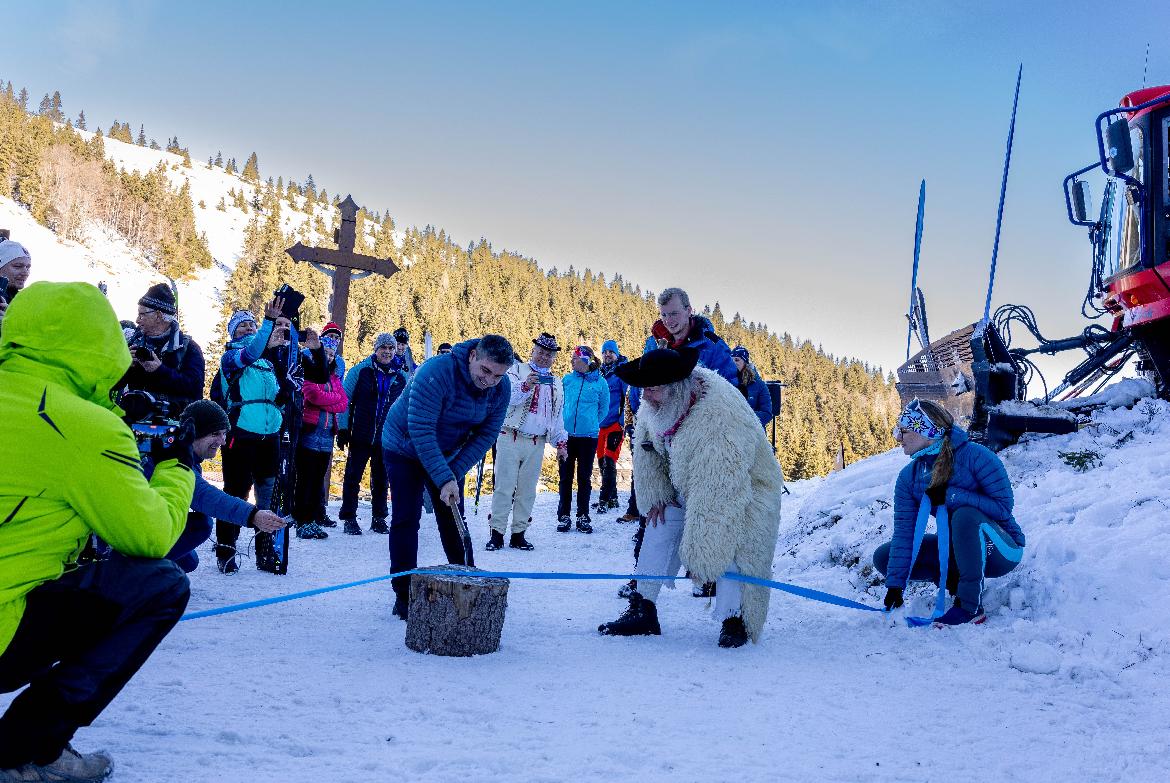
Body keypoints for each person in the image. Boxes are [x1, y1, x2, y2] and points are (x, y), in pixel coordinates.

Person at [0, 282, 194, 781]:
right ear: (101, 346)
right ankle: (27, 748)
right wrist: (176, 466)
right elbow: (149, 535)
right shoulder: (81, 428)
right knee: (162, 584)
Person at [598, 347, 785, 648]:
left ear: (677, 389)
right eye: (644, 388)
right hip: (691, 483)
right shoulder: (658, 405)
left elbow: (719, 497)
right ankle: (643, 607)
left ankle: (734, 619)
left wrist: (702, 557)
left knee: (733, 545)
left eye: (654, 389)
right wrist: (657, 496)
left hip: (747, 489)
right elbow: (646, 450)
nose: (645, 397)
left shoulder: (720, 415)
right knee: (659, 522)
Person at [381, 334, 513, 620]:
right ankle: (404, 593)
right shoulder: (436, 371)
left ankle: (467, 582)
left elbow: (486, 436)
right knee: (406, 517)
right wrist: (443, 477)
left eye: (498, 376)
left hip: (449, 452)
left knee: (453, 515)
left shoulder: (502, 390)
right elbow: (421, 430)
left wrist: (451, 474)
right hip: (404, 444)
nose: (489, 381)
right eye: (485, 371)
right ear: (472, 356)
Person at [872, 399, 1025, 626]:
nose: (897, 438)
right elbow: (906, 534)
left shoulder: (976, 456)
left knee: (965, 515)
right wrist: (896, 585)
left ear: (927, 431)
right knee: (884, 556)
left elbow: (1003, 508)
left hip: (1001, 550)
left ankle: (969, 606)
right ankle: (956, 583)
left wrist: (953, 496)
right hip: (959, 550)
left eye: (903, 431)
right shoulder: (909, 477)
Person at [161, 401, 286, 573]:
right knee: (201, 525)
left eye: (224, 434)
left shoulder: (184, 451)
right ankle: (135, 572)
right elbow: (204, 496)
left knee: (188, 561)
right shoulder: (173, 456)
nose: (223, 441)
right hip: (137, 527)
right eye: (215, 434)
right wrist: (253, 515)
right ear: (194, 433)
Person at [213, 300, 288, 573]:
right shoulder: (231, 357)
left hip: (270, 436)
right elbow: (251, 352)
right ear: (233, 333)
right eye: (242, 325)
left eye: (251, 324)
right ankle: (226, 550)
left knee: (267, 496)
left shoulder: (267, 363)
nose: (247, 328)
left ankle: (265, 552)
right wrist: (268, 324)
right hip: (241, 434)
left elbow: (279, 395)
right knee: (236, 492)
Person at [487, 332, 569, 552]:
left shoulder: (557, 383)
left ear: (554, 358)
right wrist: (525, 386)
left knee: (527, 490)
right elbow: (508, 398)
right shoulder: (516, 370)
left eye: (549, 355)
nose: (544, 357)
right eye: (541, 352)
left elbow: (557, 415)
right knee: (504, 487)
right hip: (510, 436)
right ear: (533, 351)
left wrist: (561, 443)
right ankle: (496, 534)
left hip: (537, 441)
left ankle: (518, 534)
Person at [338, 333, 408, 535]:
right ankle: (349, 517)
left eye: (391, 348)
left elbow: (406, 408)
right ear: (376, 349)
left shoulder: (402, 377)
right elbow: (344, 400)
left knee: (381, 479)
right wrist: (343, 429)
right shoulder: (361, 371)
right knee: (353, 477)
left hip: (387, 438)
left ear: (395, 350)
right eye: (383, 347)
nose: (387, 352)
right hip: (360, 434)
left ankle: (379, 518)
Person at [118, 283, 206, 417]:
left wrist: (159, 370)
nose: (137, 320)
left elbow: (195, 390)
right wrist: (125, 365)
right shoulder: (133, 343)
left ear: (158, 315)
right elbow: (112, 384)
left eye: (142, 315)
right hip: (132, 421)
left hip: (171, 426)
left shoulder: (188, 348)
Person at [293, 330, 348, 539]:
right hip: (309, 432)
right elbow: (312, 395)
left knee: (317, 480)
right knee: (305, 479)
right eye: (326, 353)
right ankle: (302, 519)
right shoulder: (307, 372)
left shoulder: (334, 377)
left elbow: (343, 403)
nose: (329, 357)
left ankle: (314, 518)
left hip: (326, 436)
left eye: (332, 354)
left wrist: (329, 400)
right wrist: (331, 400)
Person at [557, 346, 610, 534]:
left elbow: (604, 408)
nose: (572, 361)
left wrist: (592, 423)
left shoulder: (600, 383)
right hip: (566, 436)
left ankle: (583, 516)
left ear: (586, 361)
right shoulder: (567, 380)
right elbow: (559, 404)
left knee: (584, 478)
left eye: (575, 358)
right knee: (565, 477)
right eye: (572, 358)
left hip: (588, 437)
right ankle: (564, 516)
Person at [650, 287, 737, 384]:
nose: (668, 321)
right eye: (664, 315)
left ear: (688, 311)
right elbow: (640, 388)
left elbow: (731, 388)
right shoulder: (653, 344)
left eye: (674, 314)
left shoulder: (712, 347)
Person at [731, 346, 773, 428]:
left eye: (737, 360)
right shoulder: (727, 381)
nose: (733, 363)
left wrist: (743, 416)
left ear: (745, 362)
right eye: (731, 360)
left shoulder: (759, 385)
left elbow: (767, 414)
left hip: (753, 434)